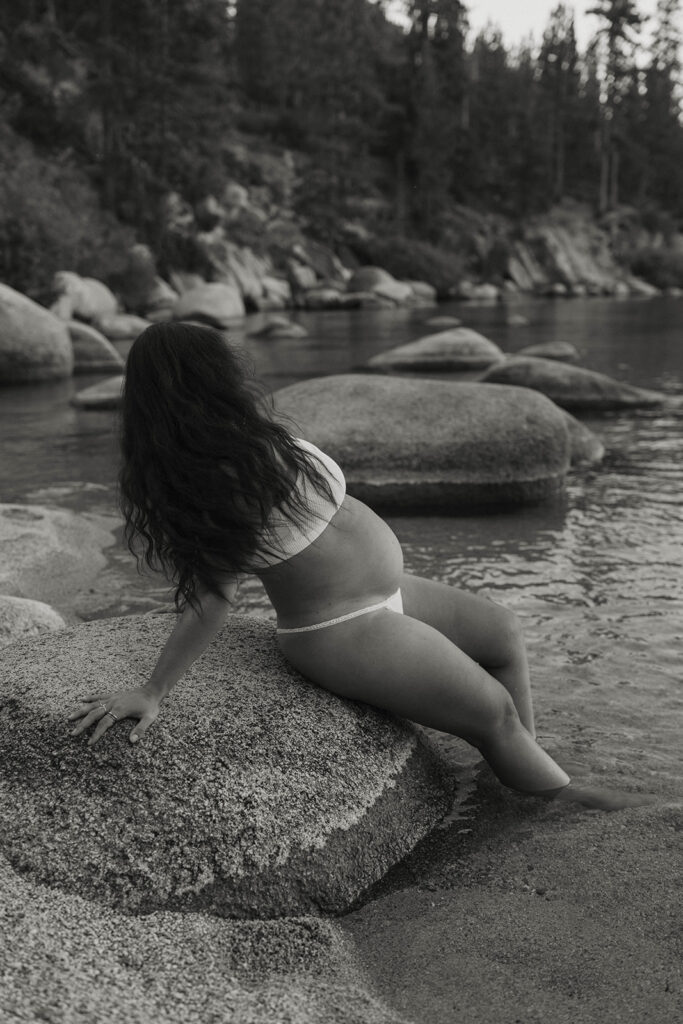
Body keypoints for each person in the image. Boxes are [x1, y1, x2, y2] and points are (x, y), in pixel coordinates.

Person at [68, 322, 654, 812]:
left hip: (386, 593)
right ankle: (564, 802)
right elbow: (212, 595)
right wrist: (153, 689)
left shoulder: (251, 436)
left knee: (502, 632)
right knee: (491, 713)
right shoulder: (203, 480)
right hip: (342, 626)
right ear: (202, 378)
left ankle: (522, 769)